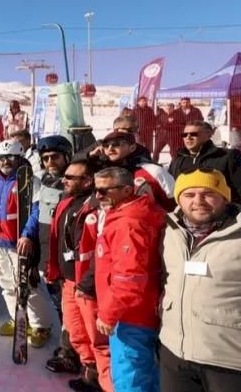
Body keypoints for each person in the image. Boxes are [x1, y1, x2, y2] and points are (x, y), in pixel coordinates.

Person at [160, 169, 241, 392]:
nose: (198, 201)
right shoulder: (170, 232)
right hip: (175, 352)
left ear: (225, 197)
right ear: (179, 199)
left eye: (208, 193)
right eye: (189, 195)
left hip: (231, 360)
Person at [93, 167, 165, 392]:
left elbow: (129, 277)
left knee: (130, 379)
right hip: (139, 310)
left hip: (130, 315)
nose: (98, 196)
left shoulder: (129, 223)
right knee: (146, 374)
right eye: (96, 190)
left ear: (126, 190)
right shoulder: (130, 212)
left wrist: (108, 314)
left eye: (104, 191)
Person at [0, 140, 52, 347]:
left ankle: (40, 325)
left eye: (10, 158)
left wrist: (27, 234)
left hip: (20, 243)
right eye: (1, 158)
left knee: (27, 285)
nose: (5, 162)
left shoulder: (30, 181)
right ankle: (19, 318)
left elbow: (37, 212)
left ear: (19, 159)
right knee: (7, 284)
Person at [44, 160, 109, 391]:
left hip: (89, 284)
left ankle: (104, 382)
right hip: (69, 280)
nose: (65, 180)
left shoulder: (96, 206)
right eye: (65, 176)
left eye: (71, 177)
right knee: (75, 330)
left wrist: (89, 282)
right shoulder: (66, 202)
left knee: (97, 337)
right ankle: (89, 372)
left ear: (88, 181)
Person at [35, 136, 81, 374]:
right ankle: (69, 347)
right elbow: (38, 216)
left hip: (69, 258)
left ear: (67, 157)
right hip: (47, 253)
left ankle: (73, 353)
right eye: (45, 158)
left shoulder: (75, 185)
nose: (50, 162)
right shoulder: (45, 182)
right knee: (61, 305)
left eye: (55, 157)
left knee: (72, 307)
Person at [169, 120, 241, 209]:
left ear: (208, 135)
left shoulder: (229, 156)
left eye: (194, 134)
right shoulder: (178, 160)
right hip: (188, 215)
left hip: (225, 216)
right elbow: (171, 190)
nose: (188, 137)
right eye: (184, 135)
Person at [99, 130, 176, 211]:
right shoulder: (102, 174)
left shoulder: (153, 171)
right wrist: (91, 159)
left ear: (132, 147)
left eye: (116, 144)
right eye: (106, 145)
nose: (110, 148)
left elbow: (174, 202)